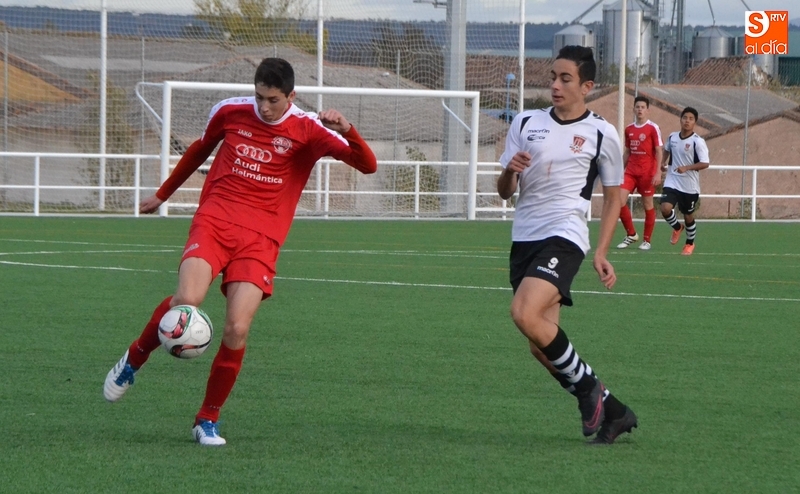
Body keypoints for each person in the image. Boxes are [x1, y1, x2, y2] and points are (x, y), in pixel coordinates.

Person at [103, 58, 377, 446]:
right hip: (215, 220)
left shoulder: (308, 129)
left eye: (273, 100)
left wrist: (348, 129)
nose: (264, 107)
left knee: (237, 328)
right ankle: (134, 359)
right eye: (259, 97)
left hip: (262, 239)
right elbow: (198, 150)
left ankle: (206, 420)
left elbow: (368, 165)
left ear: (291, 96)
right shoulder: (230, 112)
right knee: (187, 300)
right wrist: (163, 194)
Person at [496, 45, 637, 444]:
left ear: (586, 86)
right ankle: (614, 411)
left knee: (523, 312)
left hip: (565, 235)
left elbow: (614, 196)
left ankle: (589, 392)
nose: (555, 85)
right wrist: (509, 171)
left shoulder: (602, 133)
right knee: (540, 346)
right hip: (525, 237)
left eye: (565, 79)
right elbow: (504, 191)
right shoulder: (526, 122)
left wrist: (601, 251)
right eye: (553, 77)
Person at [660, 107, 710, 256]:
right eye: (685, 118)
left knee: (688, 215)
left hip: (689, 186)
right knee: (665, 208)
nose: (687, 121)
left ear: (695, 122)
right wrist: (662, 162)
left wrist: (687, 167)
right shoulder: (672, 137)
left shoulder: (698, 142)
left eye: (691, 119)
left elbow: (705, 163)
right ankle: (677, 227)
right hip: (672, 180)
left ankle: (689, 243)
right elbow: (666, 149)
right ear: (680, 120)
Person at [616, 96, 663, 251]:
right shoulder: (629, 129)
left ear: (648, 110)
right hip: (630, 172)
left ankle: (647, 240)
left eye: (643, 107)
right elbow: (628, 152)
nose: (640, 110)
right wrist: (619, 170)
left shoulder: (653, 128)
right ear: (634, 109)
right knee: (618, 201)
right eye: (637, 107)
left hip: (647, 173)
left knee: (647, 205)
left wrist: (657, 172)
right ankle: (631, 234)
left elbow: (658, 151)